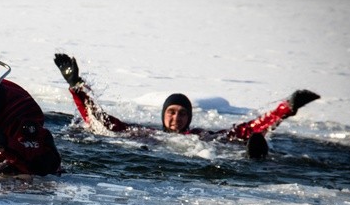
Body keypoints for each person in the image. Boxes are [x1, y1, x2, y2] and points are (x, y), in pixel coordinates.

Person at [53, 53, 320, 158]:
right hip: (154, 155)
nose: (176, 118)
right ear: (162, 115)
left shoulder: (203, 137)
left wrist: (288, 107)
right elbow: (100, 121)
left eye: (182, 113)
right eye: (171, 112)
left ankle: (255, 161)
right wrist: (77, 86)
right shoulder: (144, 133)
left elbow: (249, 128)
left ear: (190, 118)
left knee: (243, 142)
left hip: (205, 156)